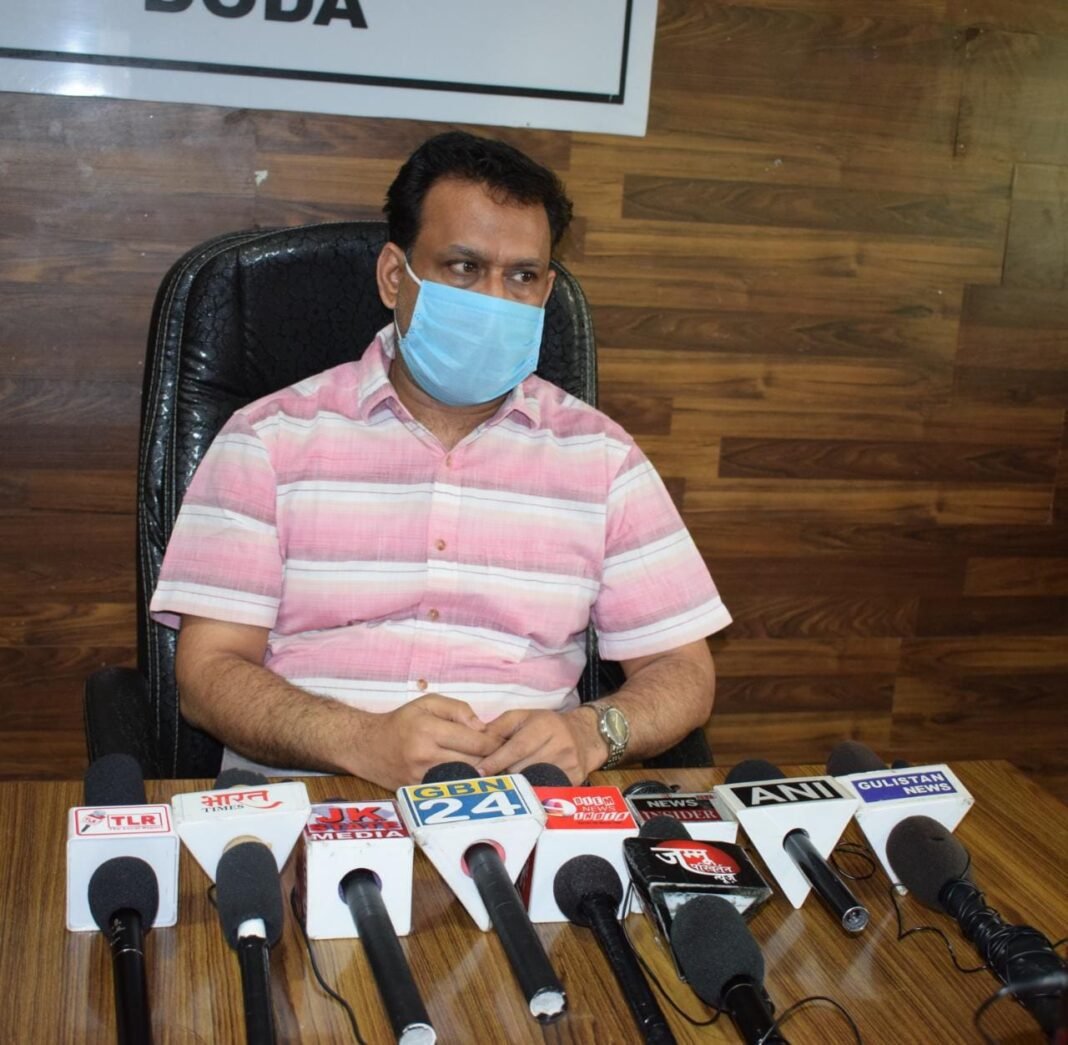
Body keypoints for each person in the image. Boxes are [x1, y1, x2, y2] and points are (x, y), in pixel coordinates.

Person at [150, 131, 731, 790]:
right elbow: (208, 673)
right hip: (312, 803)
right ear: (395, 276)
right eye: (463, 267)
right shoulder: (266, 440)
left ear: (546, 290)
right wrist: (358, 739)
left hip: (528, 809)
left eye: (522, 276)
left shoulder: (602, 457)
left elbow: (684, 671)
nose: (494, 300)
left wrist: (593, 731)